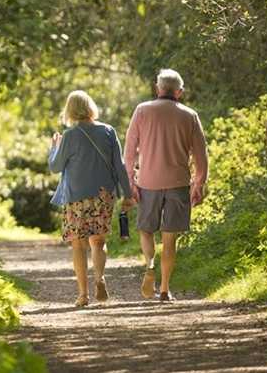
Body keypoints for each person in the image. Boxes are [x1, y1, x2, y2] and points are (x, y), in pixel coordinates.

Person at [124, 69, 209, 302]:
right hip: (178, 183)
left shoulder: (142, 111)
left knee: (146, 230)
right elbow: (202, 156)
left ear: (157, 88)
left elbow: (129, 151)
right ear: (179, 92)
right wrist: (199, 184)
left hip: (147, 182)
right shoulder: (189, 115)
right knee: (170, 239)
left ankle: (150, 265)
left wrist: (129, 181)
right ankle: (164, 289)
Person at [49, 90, 136, 307]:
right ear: (91, 107)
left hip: (76, 197)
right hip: (103, 195)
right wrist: (128, 194)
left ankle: (83, 295)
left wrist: (54, 148)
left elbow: (55, 167)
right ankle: (100, 278)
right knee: (98, 241)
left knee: (78, 245)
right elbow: (120, 166)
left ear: (70, 109)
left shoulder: (69, 135)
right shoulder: (108, 131)